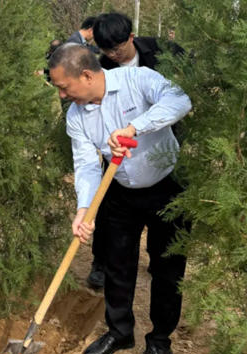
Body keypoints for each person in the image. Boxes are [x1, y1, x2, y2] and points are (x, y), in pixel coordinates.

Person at [48, 44, 191, 354]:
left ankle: (159, 342)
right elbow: (86, 165)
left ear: (86, 75)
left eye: (63, 87)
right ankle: (120, 332)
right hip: (121, 191)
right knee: (117, 266)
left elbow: (181, 101)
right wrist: (84, 208)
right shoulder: (76, 116)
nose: (64, 95)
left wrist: (135, 127)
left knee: (167, 269)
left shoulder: (137, 80)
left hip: (168, 186)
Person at [85, 12, 185, 289]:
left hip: (164, 143)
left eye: (118, 48)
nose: (113, 55)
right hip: (119, 152)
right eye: (107, 50)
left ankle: (158, 258)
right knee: (107, 210)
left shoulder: (164, 52)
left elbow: (184, 91)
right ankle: (101, 262)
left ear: (131, 37)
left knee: (164, 214)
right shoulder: (101, 68)